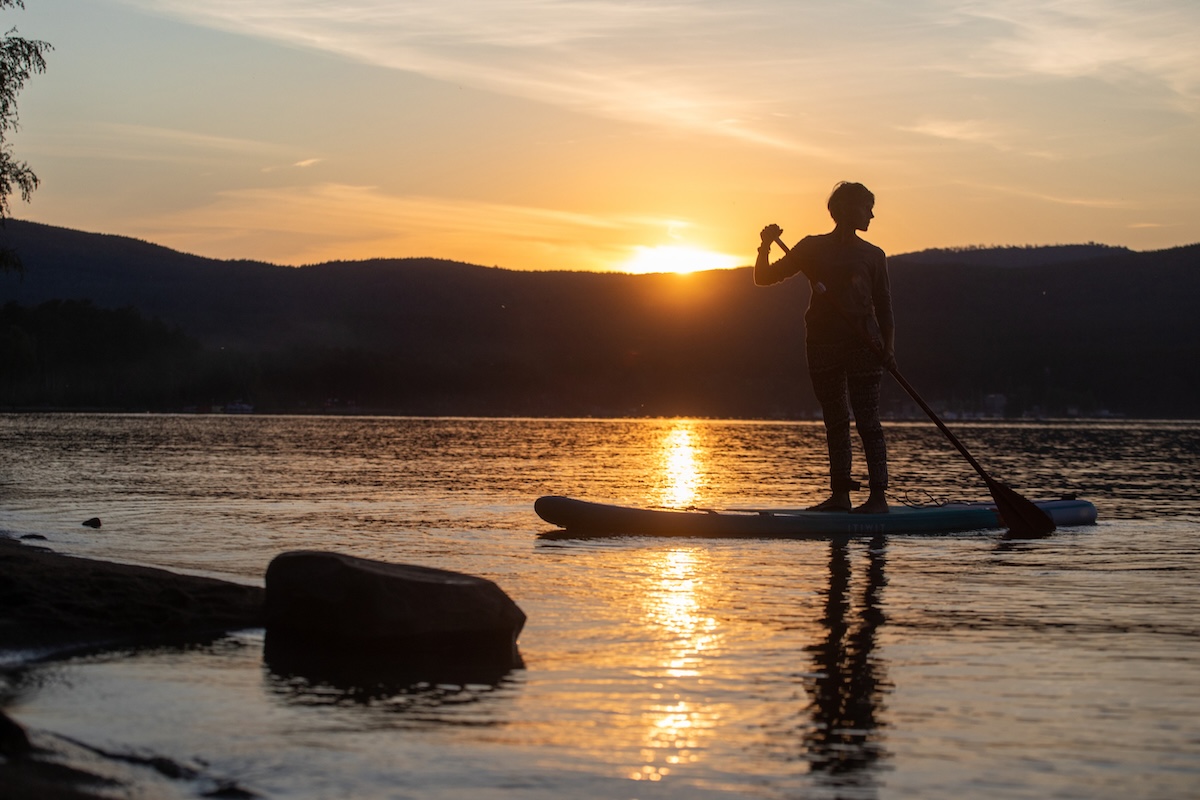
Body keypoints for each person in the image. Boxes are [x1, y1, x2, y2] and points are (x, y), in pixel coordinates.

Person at [754, 182, 895, 513]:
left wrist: (889, 349)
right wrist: (764, 246)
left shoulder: (874, 255)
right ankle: (840, 495)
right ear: (845, 209)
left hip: (865, 345)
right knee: (836, 420)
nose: (871, 215)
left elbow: (884, 306)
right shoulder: (811, 247)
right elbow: (764, 278)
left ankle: (878, 498)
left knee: (868, 420)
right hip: (822, 344)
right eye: (866, 208)